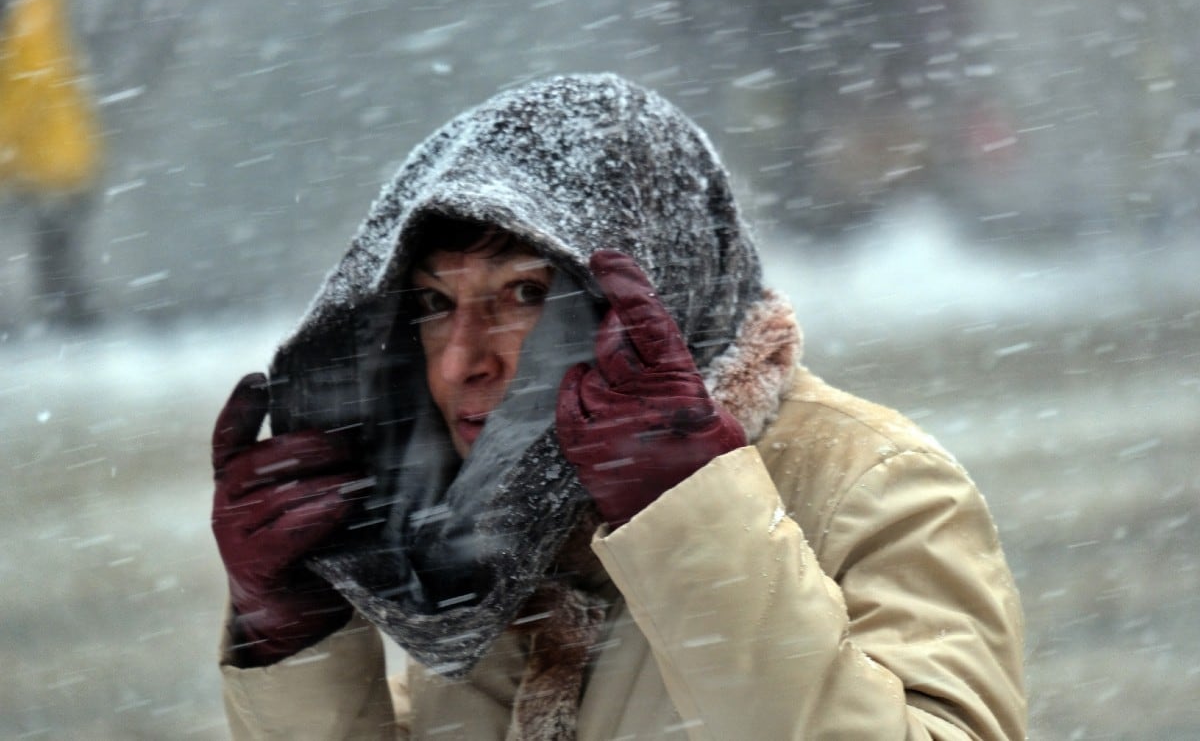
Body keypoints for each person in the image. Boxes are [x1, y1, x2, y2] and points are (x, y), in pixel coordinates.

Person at [212, 74, 1026, 740]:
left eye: (523, 293)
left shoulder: (869, 484)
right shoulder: (477, 536)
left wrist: (691, 523)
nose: (463, 360)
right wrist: (297, 639)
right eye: (431, 304)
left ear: (654, 289)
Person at [0, 0, 103, 328]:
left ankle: (74, 327)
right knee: (59, 255)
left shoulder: (24, 47)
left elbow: (17, 110)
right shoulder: (35, 37)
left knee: (56, 258)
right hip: (66, 165)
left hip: (52, 170)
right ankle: (73, 325)